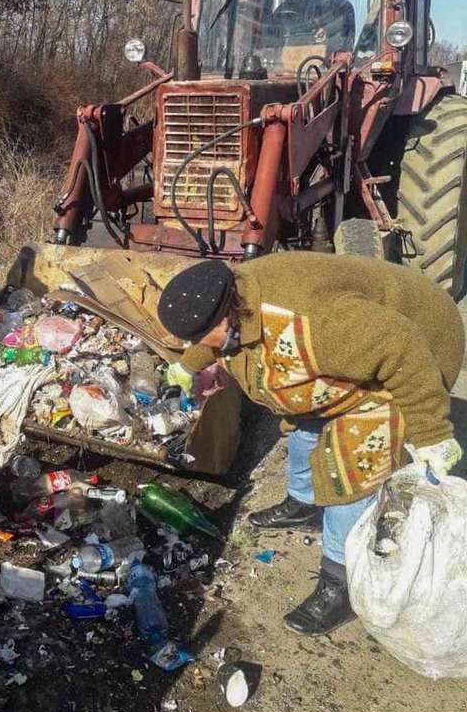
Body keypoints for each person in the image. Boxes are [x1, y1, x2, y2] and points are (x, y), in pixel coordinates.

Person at [158, 253, 464, 636]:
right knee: (306, 422)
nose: (200, 345)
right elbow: (217, 340)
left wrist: (432, 433)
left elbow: (403, 350)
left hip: (420, 345)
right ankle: (304, 505)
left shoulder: (319, 323)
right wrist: (188, 365)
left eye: (199, 339)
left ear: (224, 318)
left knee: (352, 467)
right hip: (372, 340)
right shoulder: (236, 301)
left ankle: (342, 582)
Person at [269, 0, 355, 53]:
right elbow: (270, 44)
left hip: (324, 60)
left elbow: (341, 43)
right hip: (286, 61)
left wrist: (324, 36)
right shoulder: (280, 12)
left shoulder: (330, 10)